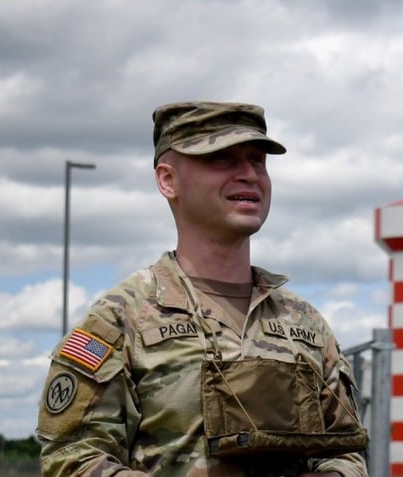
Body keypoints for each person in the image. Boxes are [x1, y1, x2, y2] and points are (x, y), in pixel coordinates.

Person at [36, 101, 369, 477]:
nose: (249, 174)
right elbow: (73, 459)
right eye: (222, 159)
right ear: (168, 180)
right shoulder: (121, 319)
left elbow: (347, 450)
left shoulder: (305, 324)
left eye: (257, 160)